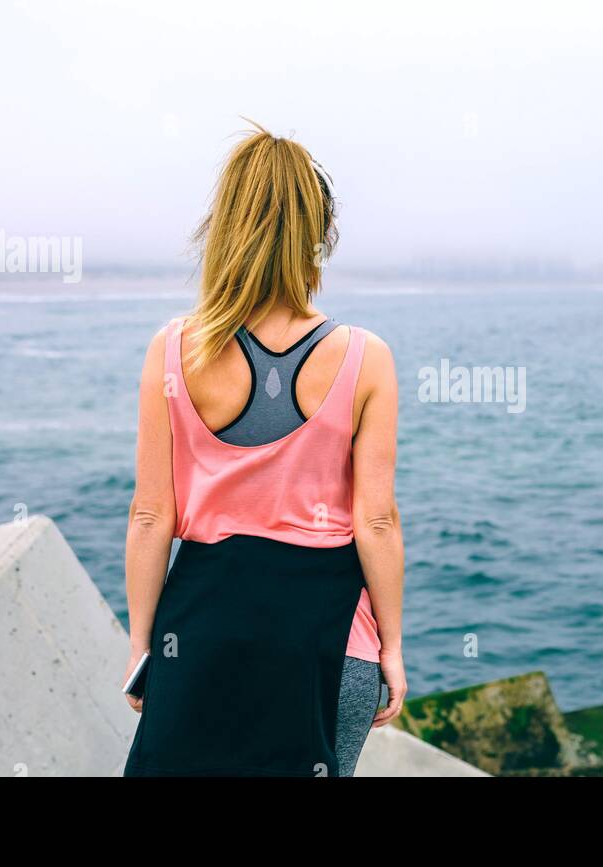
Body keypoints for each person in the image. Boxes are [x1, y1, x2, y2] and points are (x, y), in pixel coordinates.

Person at [120, 123, 406, 776]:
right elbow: (377, 521)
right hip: (332, 645)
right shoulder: (366, 359)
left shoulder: (172, 350)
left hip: (196, 640)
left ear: (224, 227)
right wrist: (391, 645)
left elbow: (149, 516)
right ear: (317, 235)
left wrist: (141, 645)